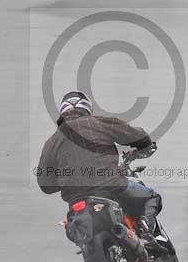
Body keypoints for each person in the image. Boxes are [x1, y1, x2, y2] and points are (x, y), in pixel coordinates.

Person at [36, 90, 162, 246]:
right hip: (110, 184)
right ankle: (147, 235)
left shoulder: (51, 142)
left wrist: (66, 178)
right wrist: (144, 146)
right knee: (151, 197)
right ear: (87, 109)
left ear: (63, 112)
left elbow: (45, 184)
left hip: (75, 197)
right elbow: (140, 137)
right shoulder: (98, 123)